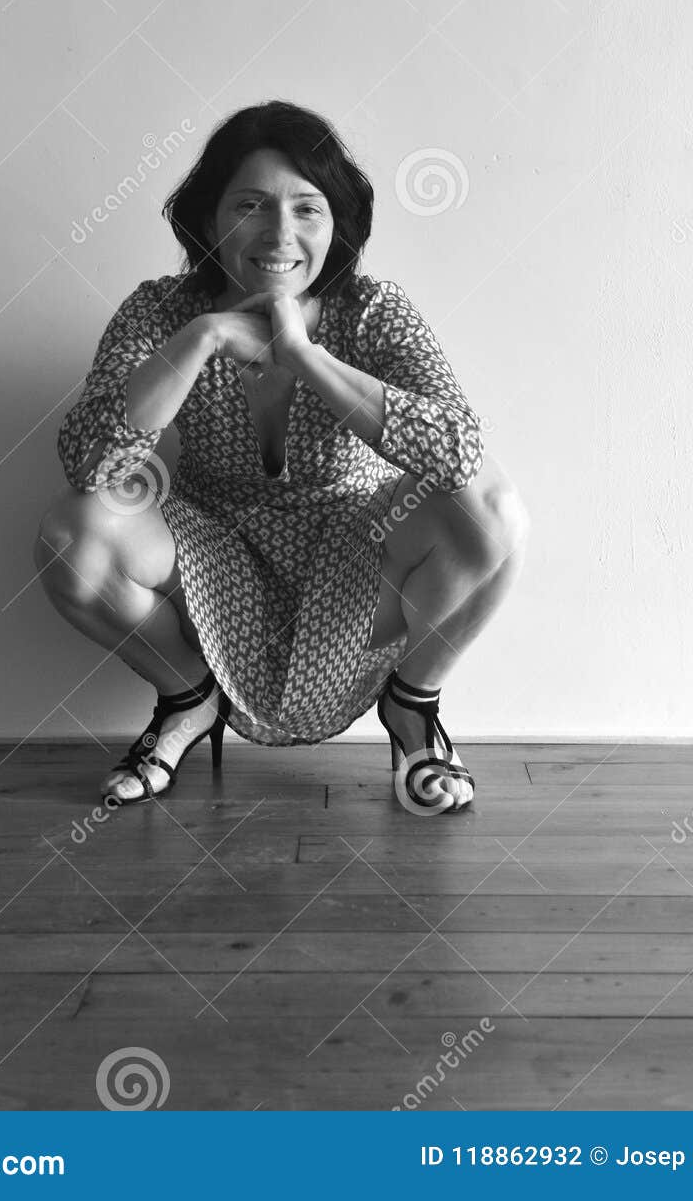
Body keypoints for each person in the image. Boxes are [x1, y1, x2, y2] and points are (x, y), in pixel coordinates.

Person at [34, 100, 529, 816]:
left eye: (307, 208)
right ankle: (186, 699)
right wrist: (201, 336)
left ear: (336, 226)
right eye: (251, 206)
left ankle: (414, 706)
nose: (280, 233)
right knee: (72, 531)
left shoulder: (373, 311)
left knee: (491, 505)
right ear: (210, 220)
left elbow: (458, 450)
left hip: (359, 560)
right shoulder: (160, 313)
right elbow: (90, 465)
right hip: (209, 559)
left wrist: (302, 354)